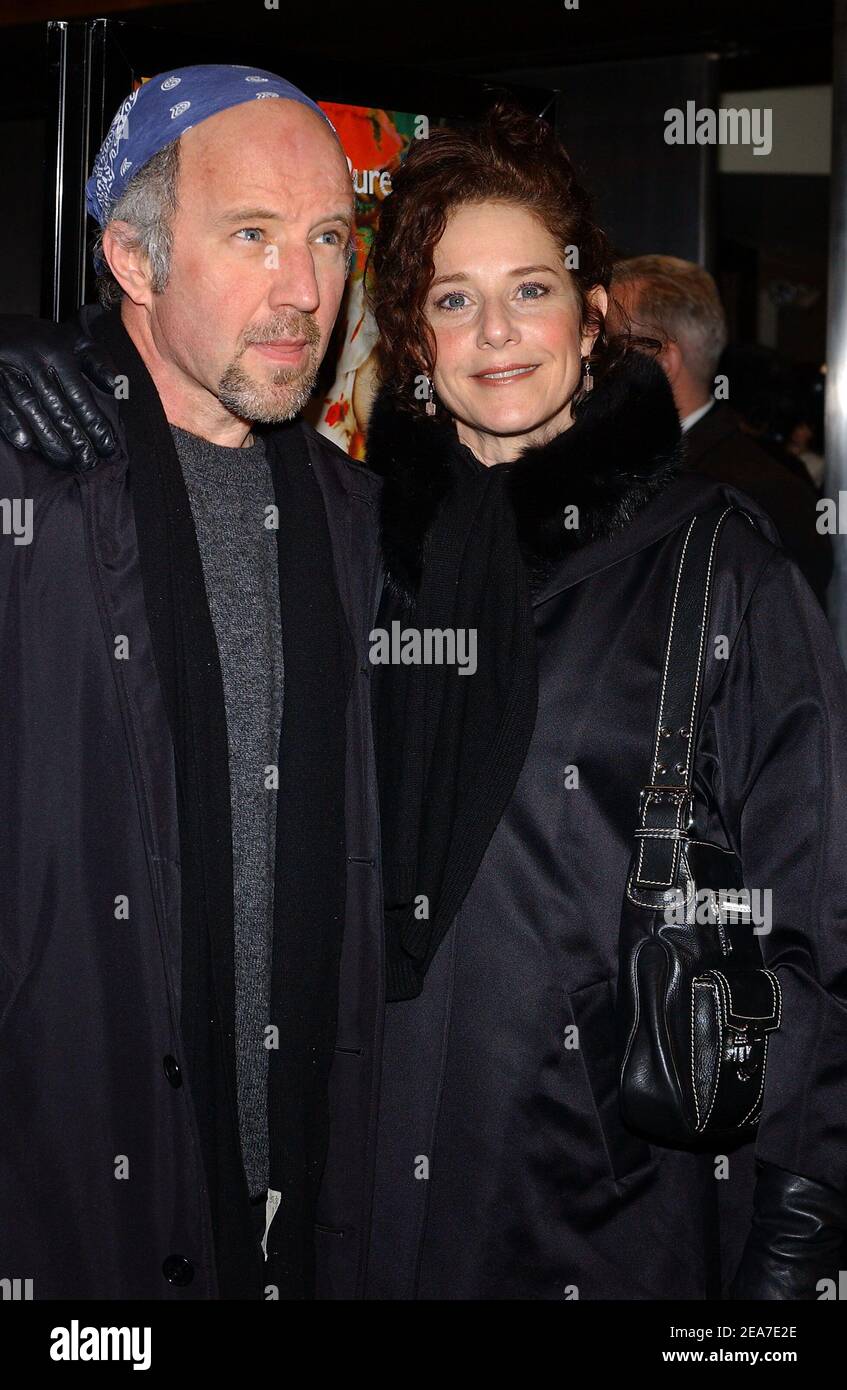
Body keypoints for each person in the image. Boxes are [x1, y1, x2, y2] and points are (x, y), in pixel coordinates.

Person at [6, 100, 847, 1302]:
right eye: (452, 299)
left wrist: (791, 1261)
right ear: (410, 337)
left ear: (594, 313)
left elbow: (817, 935)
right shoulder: (355, 548)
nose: (495, 332)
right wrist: (56, 356)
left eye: (532, 289)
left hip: (609, 1218)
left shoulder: (720, 571)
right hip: (359, 1211)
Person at [0, 65, 384, 1299]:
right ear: (134, 258)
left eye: (329, 236)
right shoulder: (30, 500)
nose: (305, 290)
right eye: (253, 235)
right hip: (70, 1207)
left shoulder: (356, 517)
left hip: (305, 1198)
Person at [610, 255, 832, 606]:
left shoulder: (755, 496)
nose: (590, 369)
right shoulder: (622, 470)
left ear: (662, 362)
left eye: (609, 348)